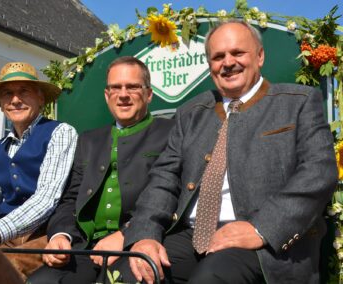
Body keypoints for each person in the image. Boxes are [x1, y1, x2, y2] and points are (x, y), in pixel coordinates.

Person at [119, 20, 338, 284]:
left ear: (259, 56)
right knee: (127, 273)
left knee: (211, 278)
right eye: (218, 56)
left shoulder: (298, 103)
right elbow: (164, 179)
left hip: (262, 243)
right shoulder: (191, 113)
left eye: (238, 53)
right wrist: (145, 235)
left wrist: (261, 228)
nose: (227, 62)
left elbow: (319, 171)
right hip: (191, 235)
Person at [28, 56, 174, 284]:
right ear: (107, 96)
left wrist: (127, 234)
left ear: (149, 94)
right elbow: (69, 199)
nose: (123, 95)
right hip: (85, 247)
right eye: (116, 87)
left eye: (133, 87)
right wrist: (60, 235)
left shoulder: (170, 132)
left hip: (138, 243)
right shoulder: (88, 140)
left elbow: (174, 195)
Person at [0, 62, 77, 280]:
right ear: (0, 104)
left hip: (45, 233)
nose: (15, 100)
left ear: (41, 99)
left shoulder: (60, 132)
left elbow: (48, 198)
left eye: (23, 92)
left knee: (1, 267)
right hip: (3, 235)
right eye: (7, 94)